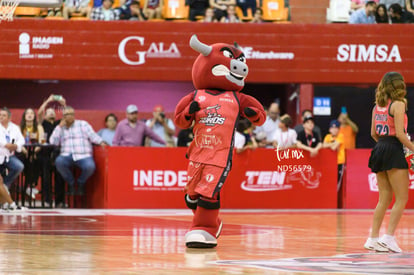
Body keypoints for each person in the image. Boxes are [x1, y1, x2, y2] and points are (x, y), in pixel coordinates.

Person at [174, 35, 266, 248]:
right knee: (192, 196)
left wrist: (253, 115)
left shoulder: (236, 97)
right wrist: (189, 112)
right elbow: (179, 120)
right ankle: (212, 221)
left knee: (209, 193)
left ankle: (205, 229)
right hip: (197, 152)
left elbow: (260, 115)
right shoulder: (196, 95)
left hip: (220, 155)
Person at [364, 72, 412, 253]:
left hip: (380, 147)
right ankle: (389, 237)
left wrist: (384, 147)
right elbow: (400, 134)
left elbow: (373, 133)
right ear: (398, 86)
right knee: (401, 197)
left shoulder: (377, 106)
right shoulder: (398, 104)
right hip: (393, 147)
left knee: (383, 198)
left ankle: (373, 238)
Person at [49, 106, 106, 196]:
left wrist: (101, 142)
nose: (69, 116)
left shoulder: (83, 124)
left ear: (74, 115)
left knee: (90, 166)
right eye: (67, 115)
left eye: (71, 114)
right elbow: (53, 142)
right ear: (63, 117)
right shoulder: (60, 128)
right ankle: (71, 183)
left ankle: (80, 182)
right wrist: (59, 127)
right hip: (66, 155)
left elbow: (93, 136)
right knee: (59, 162)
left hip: (83, 155)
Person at [38, 94, 67, 208]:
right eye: (48, 112)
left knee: (59, 177)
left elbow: (67, 115)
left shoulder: (58, 123)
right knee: (46, 178)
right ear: (45, 115)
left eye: (53, 112)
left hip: (58, 152)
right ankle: (47, 201)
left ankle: (59, 201)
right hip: (45, 153)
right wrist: (48, 101)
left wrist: (63, 104)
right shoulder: (43, 123)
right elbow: (40, 113)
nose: (51, 113)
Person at [20, 108, 45, 202]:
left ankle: (31, 185)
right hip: (23, 151)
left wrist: (34, 152)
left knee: (37, 160)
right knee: (25, 160)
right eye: (27, 113)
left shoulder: (39, 127)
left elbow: (42, 141)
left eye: (32, 113)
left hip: (36, 150)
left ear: (34, 116)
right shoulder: (20, 127)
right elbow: (18, 142)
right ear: (24, 116)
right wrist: (26, 152)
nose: (30, 115)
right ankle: (28, 186)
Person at [0, 108, 25, 191]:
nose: (1, 117)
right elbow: (2, 142)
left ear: (9, 118)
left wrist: (16, 146)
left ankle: (5, 185)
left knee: (19, 166)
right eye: (0, 115)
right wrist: (6, 145)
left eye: (4, 115)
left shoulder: (14, 127)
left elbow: (21, 140)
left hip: (9, 156)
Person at [322, 120, 345, 193]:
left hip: (339, 162)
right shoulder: (327, 136)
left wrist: (329, 145)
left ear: (339, 129)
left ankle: (335, 200)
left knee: (337, 183)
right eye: (332, 128)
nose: (334, 130)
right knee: (329, 182)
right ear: (329, 129)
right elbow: (323, 145)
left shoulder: (341, 136)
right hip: (329, 163)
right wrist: (332, 144)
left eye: (336, 128)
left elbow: (334, 148)